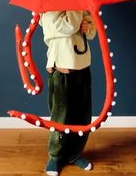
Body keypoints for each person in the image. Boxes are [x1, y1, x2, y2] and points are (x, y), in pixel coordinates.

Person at [39, 10, 96, 176]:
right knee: (61, 115)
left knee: (82, 114)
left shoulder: (79, 6)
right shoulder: (49, 9)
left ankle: (74, 153)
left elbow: (92, 31)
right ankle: (56, 156)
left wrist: (88, 27)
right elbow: (67, 26)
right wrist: (76, 10)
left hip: (82, 66)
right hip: (61, 68)